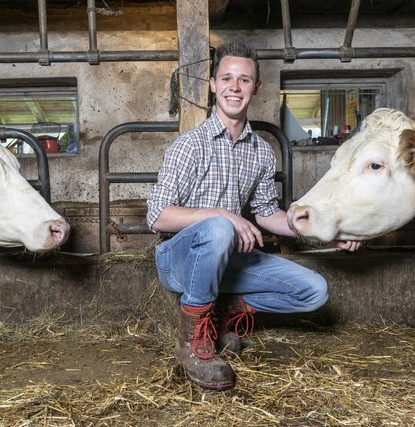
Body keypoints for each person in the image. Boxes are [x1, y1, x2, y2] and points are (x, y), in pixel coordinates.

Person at [146, 41, 362, 391]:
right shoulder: (189, 145)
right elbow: (157, 216)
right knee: (218, 227)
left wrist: (326, 232)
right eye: (226, 78)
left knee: (314, 291)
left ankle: (220, 315)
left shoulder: (261, 151)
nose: (234, 87)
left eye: (244, 80)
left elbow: (267, 214)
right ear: (213, 84)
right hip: (178, 260)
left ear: (256, 87)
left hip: (227, 259)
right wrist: (223, 216)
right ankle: (192, 344)